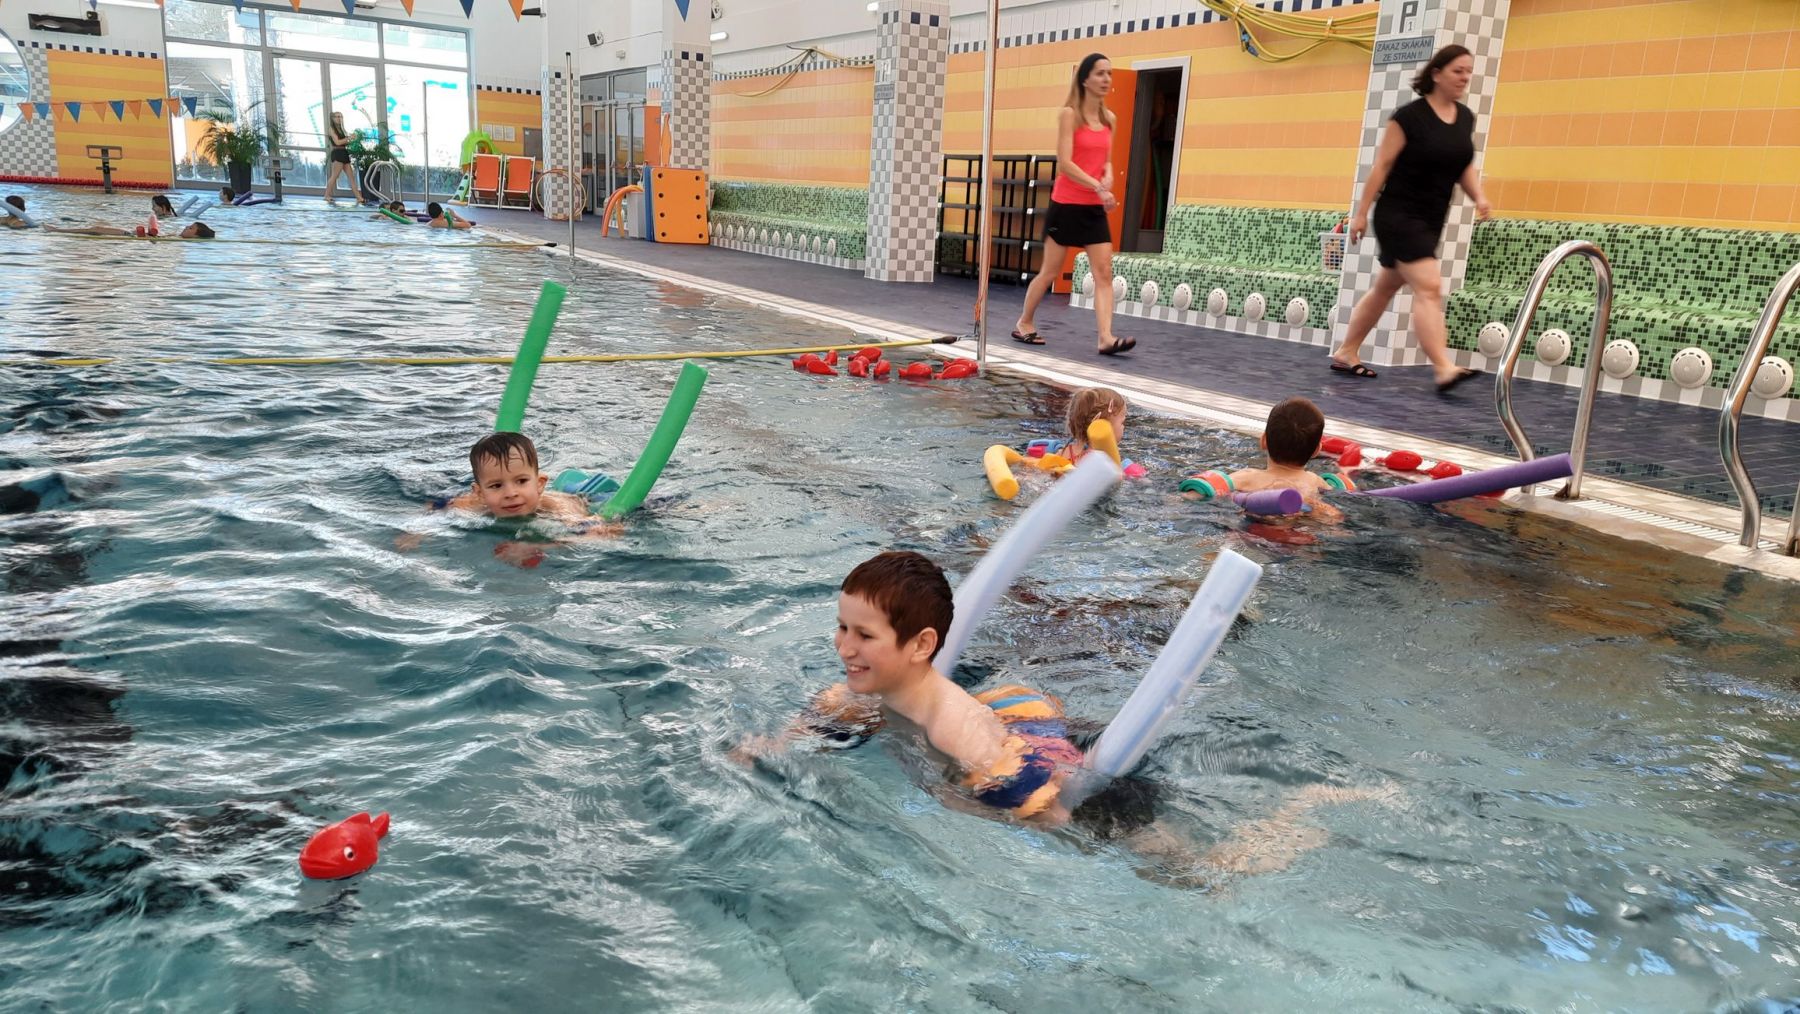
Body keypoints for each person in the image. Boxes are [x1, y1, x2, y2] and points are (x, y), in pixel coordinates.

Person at [738, 551, 1392, 880]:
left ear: (921, 645)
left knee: (1196, 873)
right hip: (1022, 724)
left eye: (863, 635)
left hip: (1066, 782)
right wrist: (769, 744)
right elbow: (829, 716)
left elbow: (1040, 805)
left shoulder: (954, 727)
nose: (844, 646)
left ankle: (1305, 813)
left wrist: (993, 806)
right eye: (841, 627)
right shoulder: (870, 692)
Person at [1330, 44, 1489, 395]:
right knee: (1429, 286)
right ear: (1437, 73)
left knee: (1386, 287)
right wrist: (1360, 214)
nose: (1465, 77)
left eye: (1468, 71)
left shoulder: (1464, 117)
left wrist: (1479, 197)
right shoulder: (1409, 117)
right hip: (1398, 214)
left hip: (1431, 218)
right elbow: (1382, 166)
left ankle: (1346, 351)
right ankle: (1443, 367)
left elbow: (1462, 165)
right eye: (1458, 70)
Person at [1010, 53, 1135, 357]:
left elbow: (1105, 161)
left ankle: (1105, 337)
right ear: (1085, 79)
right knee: (1050, 272)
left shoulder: (1109, 119)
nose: (1106, 79)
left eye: (1109, 73)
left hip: (1093, 208)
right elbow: (1065, 164)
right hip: (1066, 205)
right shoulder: (1069, 115)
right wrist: (1098, 186)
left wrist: (1107, 177)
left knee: (1104, 272)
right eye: (1100, 73)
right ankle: (1024, 322)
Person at [396, 432, 620, 565]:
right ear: (480, 493)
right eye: (496, 486)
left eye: (521, 481)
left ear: (539, 484)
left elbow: (598, 533)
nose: (510, 493)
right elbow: (438, 507)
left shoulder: (557, 506)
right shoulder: (475, 504)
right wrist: (415, 533)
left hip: (585, 498)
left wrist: (536, 546)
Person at [1216, 397, 1342, 518]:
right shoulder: (1315, 481)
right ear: (1316, 451)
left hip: (1254, 524)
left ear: (1263, 441)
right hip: (1300, 525)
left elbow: (1212, 488)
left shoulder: (1247, 477)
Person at [322, 111, 367, 205]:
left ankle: (359, 197)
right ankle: (326, 195)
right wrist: (348, 138)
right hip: (337, 153)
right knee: (335, 176)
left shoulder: (341, 129)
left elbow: (344, 142)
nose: (339, 118)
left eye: (341, 117)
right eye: (337, 117)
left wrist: (352, 139)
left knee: (351, 177)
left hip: (344, 152)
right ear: (333, 118)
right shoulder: (331, 129)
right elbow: (337, 142)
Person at [42, 221, 214, 239]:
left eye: (190, 228)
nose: (186, 227)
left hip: (133, 236)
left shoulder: (177, 240)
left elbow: (155, 241)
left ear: (195, 236)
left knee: (96, 229)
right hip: (133, 235)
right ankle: (57, 230)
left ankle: (57, 230)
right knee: (96, 228)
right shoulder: (177, 237)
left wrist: (146, 236)